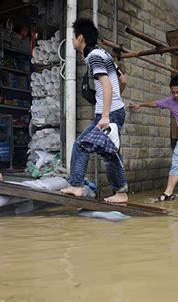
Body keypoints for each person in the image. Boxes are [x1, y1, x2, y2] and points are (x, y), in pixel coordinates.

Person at [61, 18, 128, 204]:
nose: (73, 41)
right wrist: (115, 102)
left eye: (73, 37)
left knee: (82, 144)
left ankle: (76, 185)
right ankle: (120, 192)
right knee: (110, 152)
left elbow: (107, 85)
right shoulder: (103, 54)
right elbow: (123, 80)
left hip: (109, 114)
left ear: (80, 38)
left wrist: (106, 114)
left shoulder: (93, 56)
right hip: (114, 111)